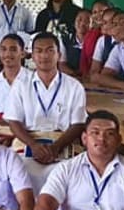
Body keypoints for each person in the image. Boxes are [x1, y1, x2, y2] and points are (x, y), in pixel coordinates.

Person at [5, 33, 87, 192]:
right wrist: (34, 145)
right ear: (32, 56)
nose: (44, 55)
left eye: (50, 50)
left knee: (71, 175)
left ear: (59, 55)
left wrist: (56, 147)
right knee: (16, 172)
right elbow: (13, 122)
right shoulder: (21, 84)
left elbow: (78, 124)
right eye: (39, 51)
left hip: (63, 144)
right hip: (29, 143)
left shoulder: (74, 86)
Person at [91, 10, 124, 91]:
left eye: (122, 23)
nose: (118, 28)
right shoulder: (119, 48)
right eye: (115, 24)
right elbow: (100, 77)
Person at [81, 0, 114, 74]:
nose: (98, 15)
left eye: (102, 11)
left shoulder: (116, 35)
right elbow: (84, 61)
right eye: (94, 12)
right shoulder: (90, 34)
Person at [59, 10, 94, 79]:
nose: (82, 23)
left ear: (93, 24)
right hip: (71, 77)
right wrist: (74, 74)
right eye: (79, 19)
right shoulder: (65, 39)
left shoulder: (97, 41)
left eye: (87, 21)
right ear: (74, 22)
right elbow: (62, 65)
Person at [87, 7, 119, 80]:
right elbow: (94, 71)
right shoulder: (102, 40)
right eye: (102, 21)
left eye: (105, 22)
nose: (101, 24)